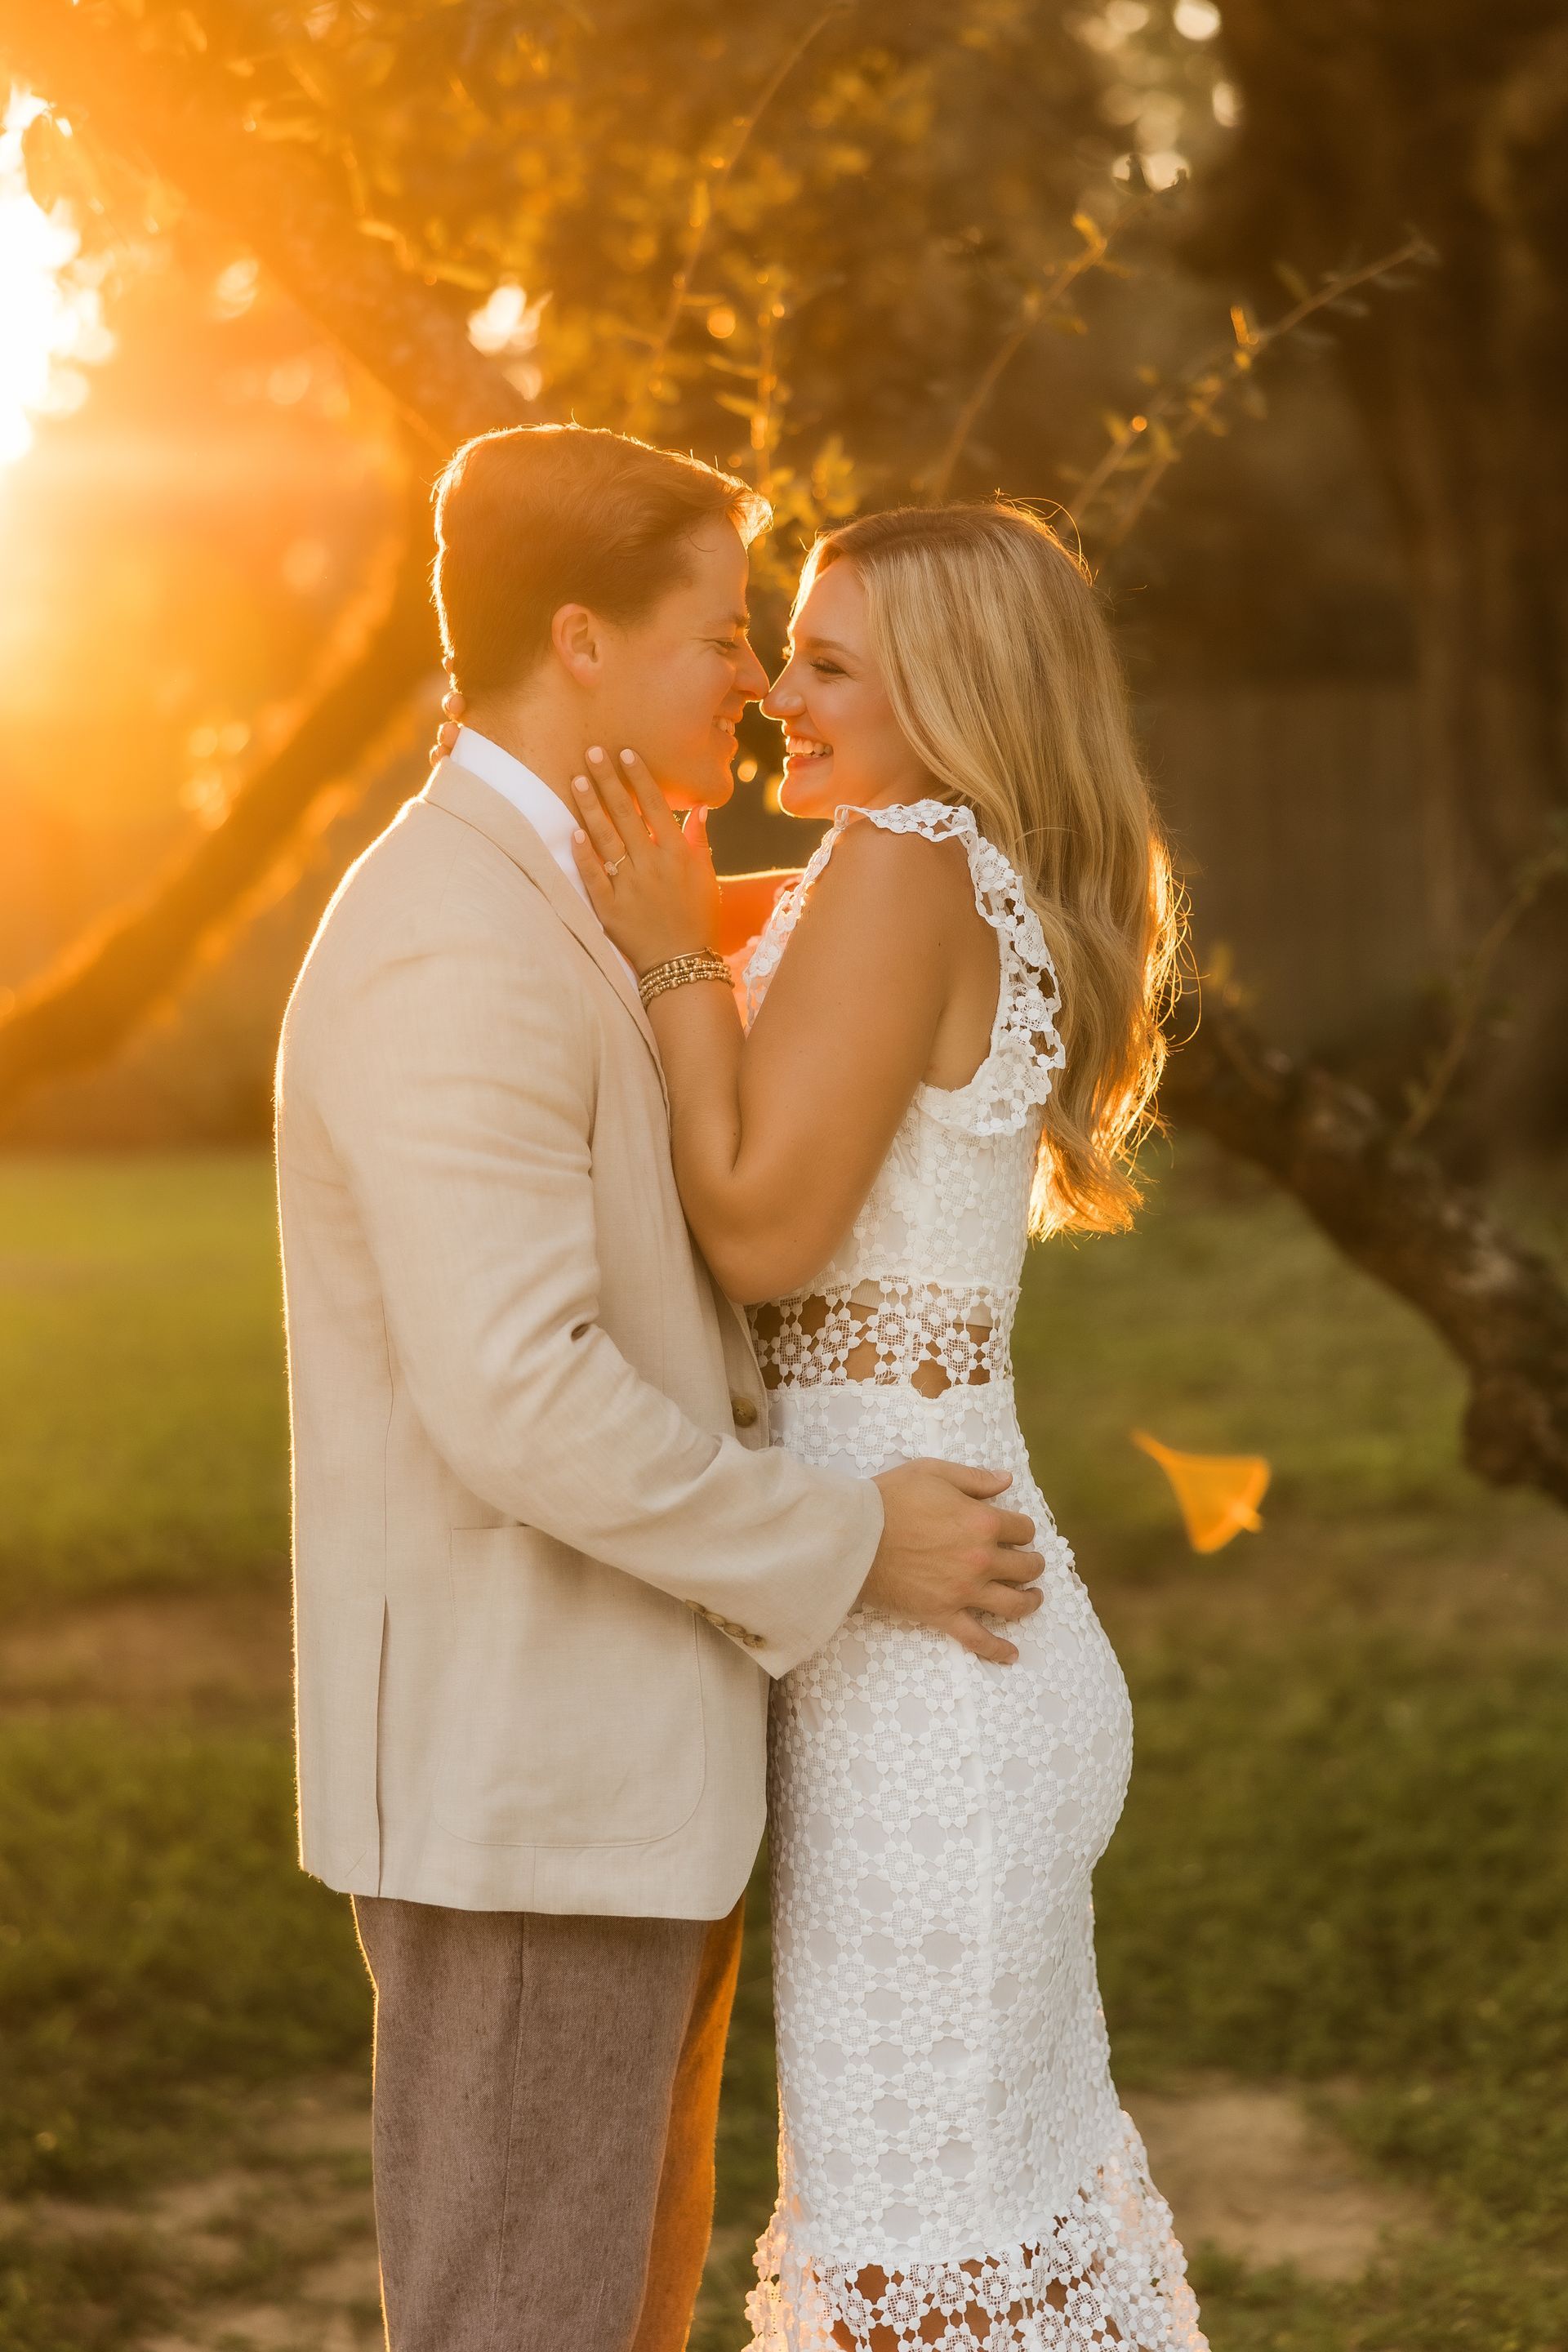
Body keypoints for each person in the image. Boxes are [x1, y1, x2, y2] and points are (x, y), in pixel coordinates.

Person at [274, 425, 1048, 2352]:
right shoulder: (450, 940)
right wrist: (849, 1537)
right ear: (581, 642)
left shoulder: (574, 903)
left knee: (613, 2319)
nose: (755, 678)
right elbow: (525, 1397)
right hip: (526, 1785)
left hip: (622, 1774)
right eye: (721, 631)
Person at [568, 500, 1206, 2351]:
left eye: (829, 663)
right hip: (947, 1646)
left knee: (920, 2264)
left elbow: (761, 1224)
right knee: (954, 2243)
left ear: (950, 694)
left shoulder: (910, 867)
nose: (779, 694)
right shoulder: (934, 870)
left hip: (929, 1686)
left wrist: (683, 964)